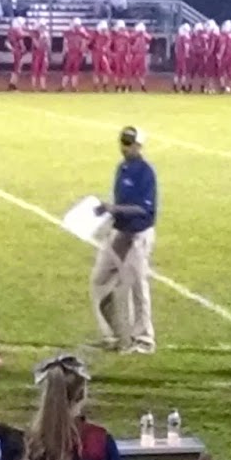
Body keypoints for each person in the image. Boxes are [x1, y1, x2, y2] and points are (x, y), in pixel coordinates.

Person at [90, 126, 158, 354]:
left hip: (137, 235)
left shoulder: (145, 172)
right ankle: (115, 335)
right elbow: (121, 202)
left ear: (139, 145)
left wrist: (113, 209)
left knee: (137, 285)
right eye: (123, 142)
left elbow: (144, 210)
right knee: (100, 280)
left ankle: (144, 339)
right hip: (119, 233)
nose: (124, 147)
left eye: (129, 143)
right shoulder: (122, 168)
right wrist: (108, 213)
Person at [63, 18, 89, 91]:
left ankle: (74, 86)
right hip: (70, 53)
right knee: (66, 70)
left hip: (78, 54)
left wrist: (83, 51)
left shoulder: (82, 33)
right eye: (75, 25)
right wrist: (65, 51)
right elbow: (65, 42)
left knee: (75, 71)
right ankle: (63, 86)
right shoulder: (68, 33)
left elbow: (86, 41)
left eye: (77, 25)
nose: (76, 27)